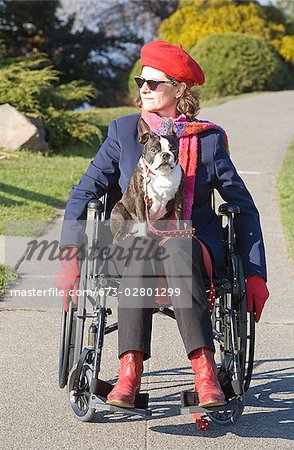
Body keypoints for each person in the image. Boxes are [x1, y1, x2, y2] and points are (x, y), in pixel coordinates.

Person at [56, 40, 269, 410]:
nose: (144, 89)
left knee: (176, 243)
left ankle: (204, 372)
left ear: (180, 89)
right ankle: (129, 372)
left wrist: (254, 273)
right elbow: (83, 193)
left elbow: (243, 207)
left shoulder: (209, 139)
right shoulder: (124, 133)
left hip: (190, 246)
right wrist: (70, 255)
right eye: (142, 81)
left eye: (154, 83)